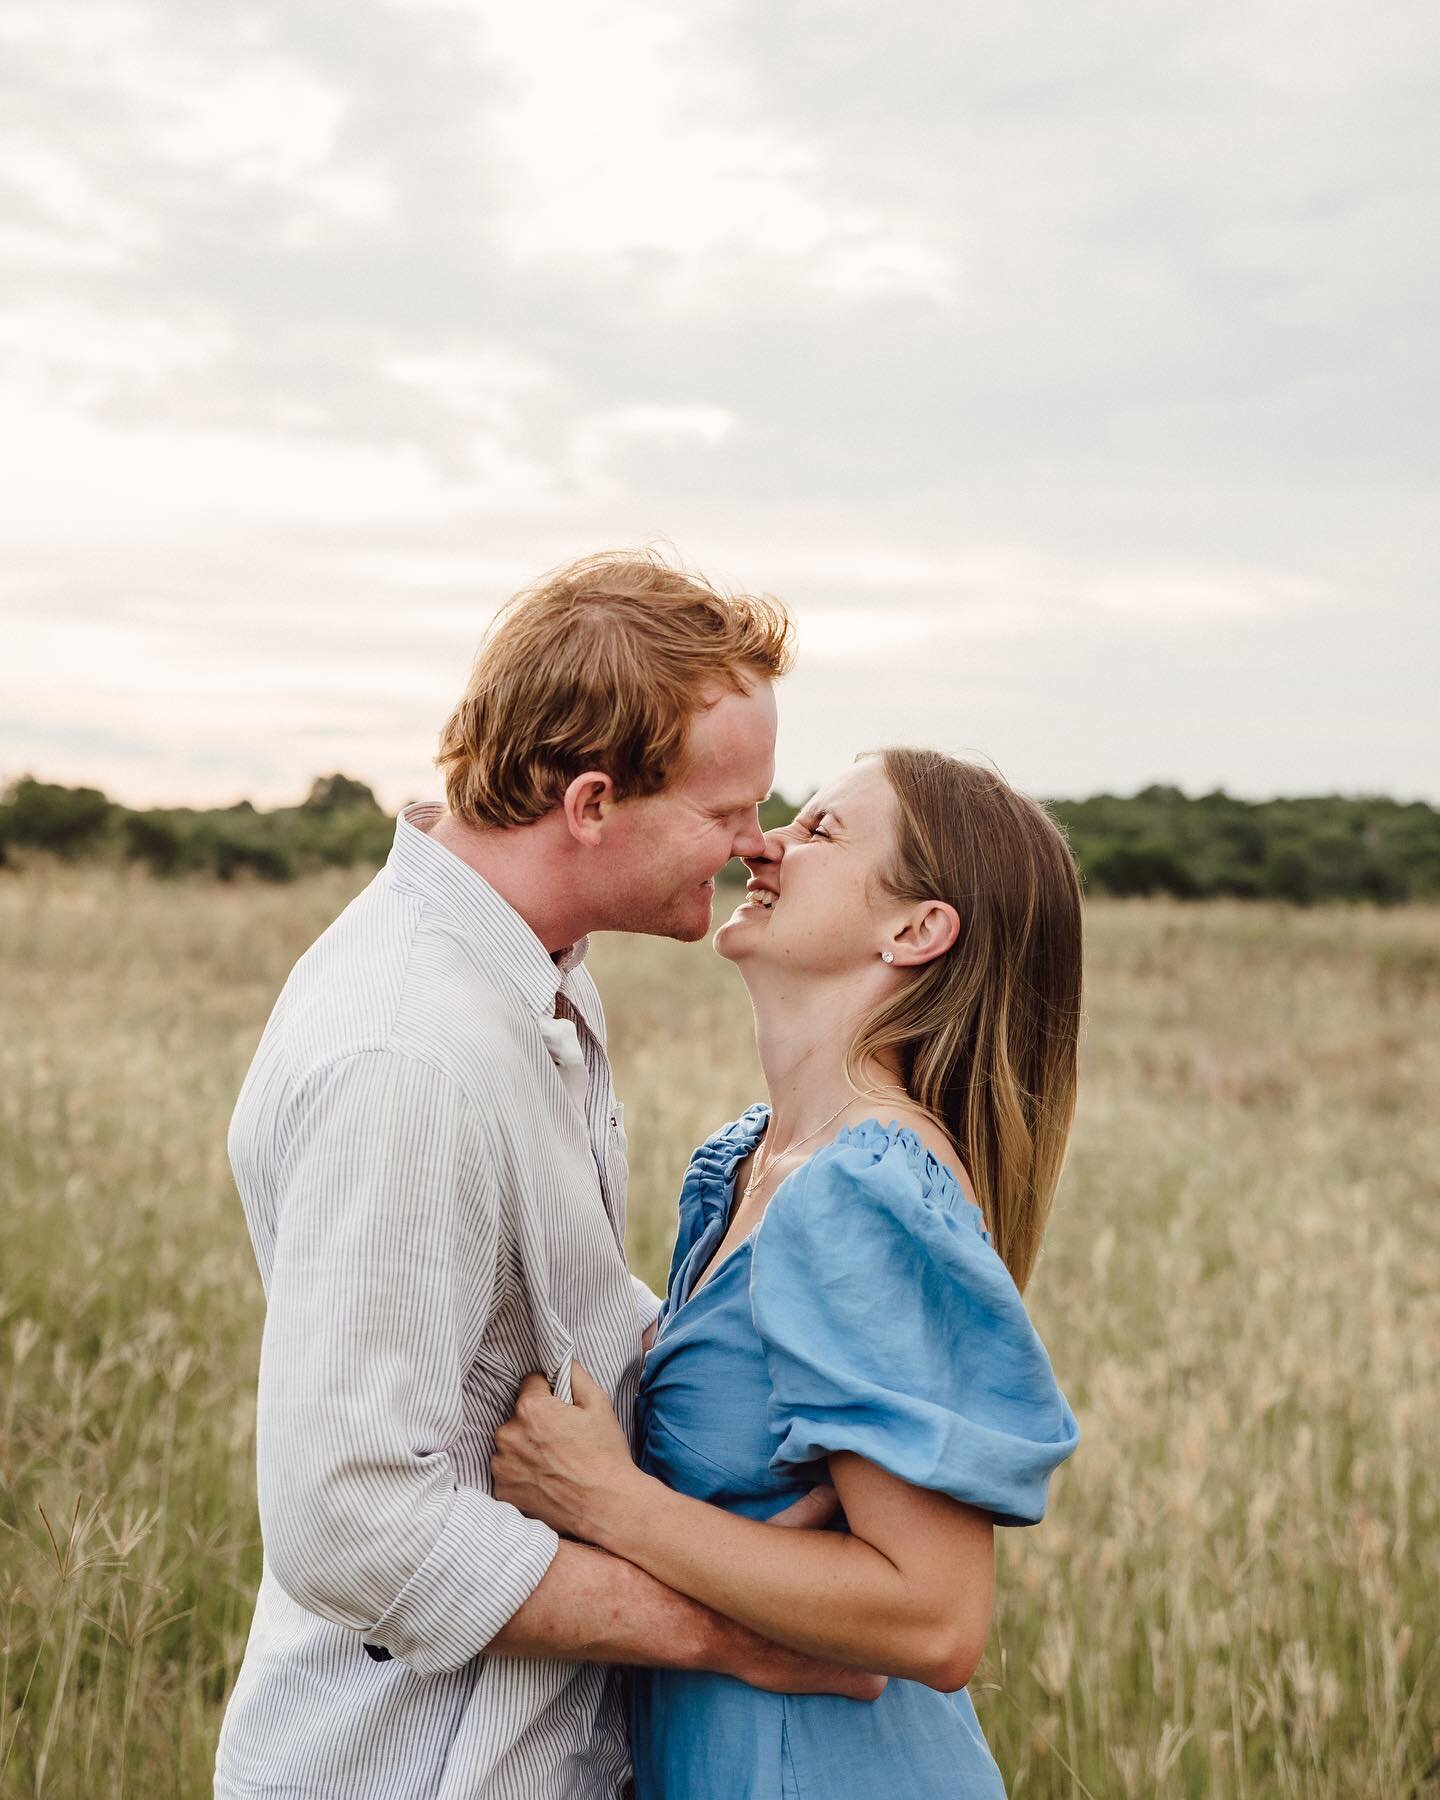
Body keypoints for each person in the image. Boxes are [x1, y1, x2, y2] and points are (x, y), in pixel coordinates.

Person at [213, 551, 883, 1800]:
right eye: (727, 809)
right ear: (589, 803)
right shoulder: (408, 1055)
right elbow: (350, 1521)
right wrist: (724, 1628)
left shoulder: (536, 972)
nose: (756, 844)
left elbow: (548, 1329)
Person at [491, 747, 1084, 1797]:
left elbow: (934, 1617)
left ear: (916, 930)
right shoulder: (744, 1165)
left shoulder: (861, 1191)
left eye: (818, 831)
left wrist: (609, 1501)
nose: (763, 841)